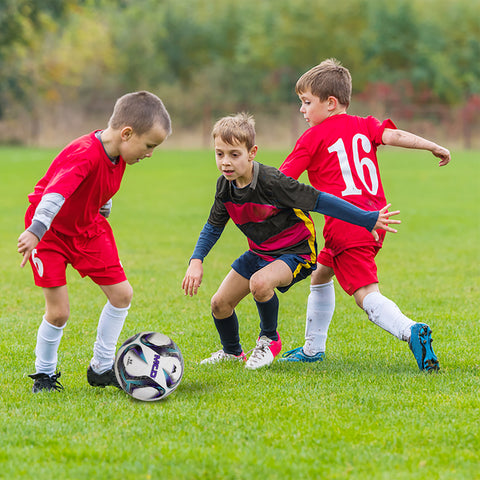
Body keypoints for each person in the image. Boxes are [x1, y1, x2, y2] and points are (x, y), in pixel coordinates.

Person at [182, 112, 400, 370]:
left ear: (252, 152)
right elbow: (213, 226)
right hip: (260, 252)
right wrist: (196, 260)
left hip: (296, 252)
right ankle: (232, 352)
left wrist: (366, 218)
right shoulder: (225, 187)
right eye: (220, 154)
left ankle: (269, 340)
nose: (225, 162)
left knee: (260, 283)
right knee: (219, 304)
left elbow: (321, 201)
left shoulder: (272, 183)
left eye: (234, 154)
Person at [278, 58, 450, 371]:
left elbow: (282, 181)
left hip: (346, 224)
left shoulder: (312, 138)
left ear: (330, 103)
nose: (302, 110)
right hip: (375, 218)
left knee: (366, 295)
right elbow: (395, 136)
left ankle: (410, 330)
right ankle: (313, 348)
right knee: (321, 273)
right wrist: (433, 146)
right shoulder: (364, 124)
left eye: (306, 102)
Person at [17, 91, 172, 392]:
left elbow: (101, 185)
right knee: (59, 311)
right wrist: (36, 231)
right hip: (49, 232)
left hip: (88, 229)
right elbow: (55, 194)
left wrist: (104, 205)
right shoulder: (84, 153)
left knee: (121, 294)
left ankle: (101, 367)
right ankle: (44, 375)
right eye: (149, 145)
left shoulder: (119, 154)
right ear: (127, 133)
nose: (150, 153)